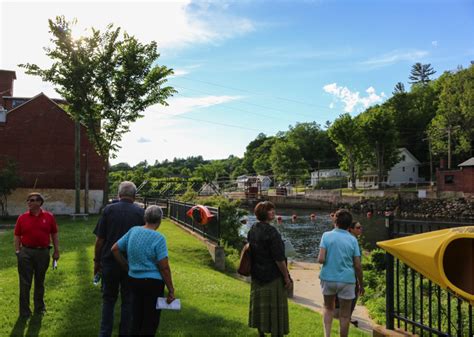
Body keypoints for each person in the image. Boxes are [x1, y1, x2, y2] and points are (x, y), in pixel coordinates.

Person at [111, 205, 175, 336]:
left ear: (145, 217)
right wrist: (171, 289)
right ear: (160, 220)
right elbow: (164, 267)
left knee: (136, 318)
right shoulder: (159, 238)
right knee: (150, 321)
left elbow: (115, 249)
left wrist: (126, 266)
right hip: (153, 283)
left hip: (133, 279)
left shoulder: (133, 231)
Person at [94, 181, 145, 337]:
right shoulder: (140, 212)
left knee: (109, 300)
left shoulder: (108, 210)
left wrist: (97, 261)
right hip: (131, 265)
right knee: (128, 301)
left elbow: (100, 240)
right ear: (134, 196)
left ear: (119, 194)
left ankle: (105, 333)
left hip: (109, 262)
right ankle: (125, 333)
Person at [247, 201, 292, 337]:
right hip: (273, 276)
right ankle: (276, 333)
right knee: (274, 308)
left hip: (257, 274)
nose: (273, 212)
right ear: (263, 213)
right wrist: (286, 276)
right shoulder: (272, 232)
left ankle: (261, 332)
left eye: (273, 209)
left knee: (260, 306)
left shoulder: (252, 229)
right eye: (269, 210)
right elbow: (279, 259)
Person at [318, 209, 363, 337]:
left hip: (328, 278)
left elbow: (321, 259)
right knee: (345, 314)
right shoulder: (353, 240)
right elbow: (358, 266)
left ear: (335, 221)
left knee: (328, 308)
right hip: (347, 280)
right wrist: (361, 284)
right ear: (349, 226)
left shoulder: (326, 236)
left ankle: (327, 335)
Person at [13, 192, 60, 317]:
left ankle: (39, 308)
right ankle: (24, 311)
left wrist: (56, 250)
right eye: (28, 200)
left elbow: (54, 234)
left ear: (40, 202)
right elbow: (17, 235)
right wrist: (18, 251)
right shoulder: (22, 218)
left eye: (32, 200)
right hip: (26, 252)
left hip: (43, 252)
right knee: (25, 283)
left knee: (40, 281)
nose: (29, 202)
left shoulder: (49, 217)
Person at [335, 221, 363, 327]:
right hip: (350, 273)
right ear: (350, 229)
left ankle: (345, 316)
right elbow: (357, 264)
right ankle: (347, 317)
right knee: (353, 295)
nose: (360, 229)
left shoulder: (347, 239)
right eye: (358, 227)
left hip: (342, 273)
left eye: (360, 227)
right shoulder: (352, 241)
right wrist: (361, 283)